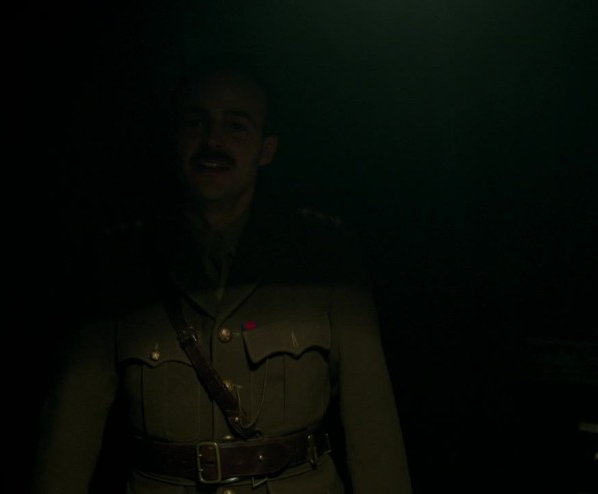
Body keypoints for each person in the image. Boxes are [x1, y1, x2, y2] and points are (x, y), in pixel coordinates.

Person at [29, 52, 413, 493]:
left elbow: (372, 425)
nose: (213, 141)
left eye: (236, 125)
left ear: (266, 149)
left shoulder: (323, 257)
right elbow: (70, 432)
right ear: (174, 137)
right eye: (196, 122)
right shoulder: (120, 260)